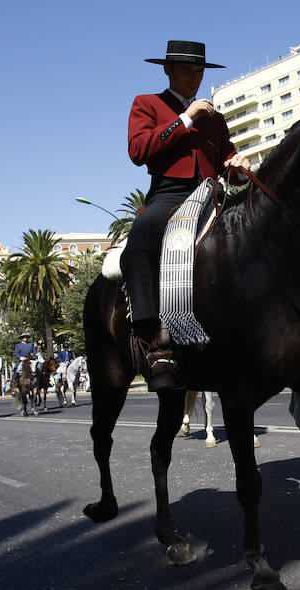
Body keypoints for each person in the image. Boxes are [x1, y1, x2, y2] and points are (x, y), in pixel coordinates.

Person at [122, 40, 250, 392]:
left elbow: (228, 163)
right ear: (168, 70)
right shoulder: (147, 104)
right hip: (169, 193)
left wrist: (240, 167)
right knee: (139, 244)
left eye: (199, 71)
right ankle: (155, 343)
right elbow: (138, 150)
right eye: (186, 70)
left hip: (212, 194)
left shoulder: (216, 119)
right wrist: (186, 117)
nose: (195, 77)